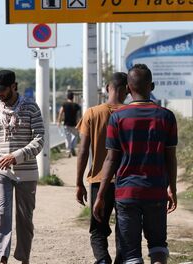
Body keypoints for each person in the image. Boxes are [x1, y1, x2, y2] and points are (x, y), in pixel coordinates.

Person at [93, 64, 178, 264]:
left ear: (128, 89)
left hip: (126, 194)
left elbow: (111, 159)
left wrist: (101, 194)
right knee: (158, 246)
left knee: (131, 254)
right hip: (156, 191)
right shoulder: (166, 116)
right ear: (152, 86)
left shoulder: (118, 118)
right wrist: (172, 188)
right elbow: (171, 158)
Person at [0, 70, 44, 264]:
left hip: (27, 173)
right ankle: (3, 257)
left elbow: (39, 139)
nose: (0, 94)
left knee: (25, 219)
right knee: (2, 214)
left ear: (14, 86)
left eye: (3, 90)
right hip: (1, 172)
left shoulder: (31, 107)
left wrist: (16, 156)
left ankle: (24, 258)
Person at [75, 72, 128, 264]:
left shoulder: (92, 113)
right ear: (127, 90)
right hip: (126, 181)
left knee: (98, 229)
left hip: (98, 181)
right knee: (124, 229)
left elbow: (82, 151)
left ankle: (103, 260)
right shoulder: (130, 114)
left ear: (108, 88)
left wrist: (79, 182)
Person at [57, 91, 81, 157]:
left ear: (67, 97)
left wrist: (58, 121)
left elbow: (60, 113)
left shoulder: (64, 104)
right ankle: (72, 147)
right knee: (75, 136)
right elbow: (78, 116)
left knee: (67, 137)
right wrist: (79, 124)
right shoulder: (76, 105)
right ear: (73, 97)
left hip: (66, 124)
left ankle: (68, 150)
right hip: (74, 124)